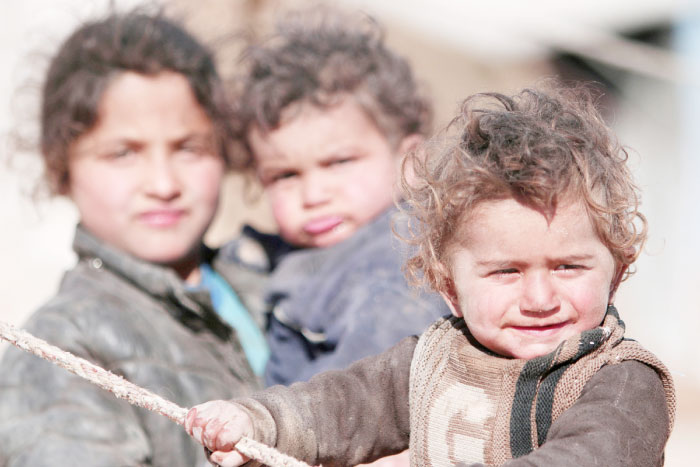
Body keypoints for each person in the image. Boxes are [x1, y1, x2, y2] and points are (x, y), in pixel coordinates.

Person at [185, 84, 677, 467]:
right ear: (450, 289)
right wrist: (259, 422)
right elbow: (342, 405)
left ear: (616, 273)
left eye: (568, 267)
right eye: (506, 271)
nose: (540, 297)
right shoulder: (431, 362)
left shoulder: (622, 384)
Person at [0, 10, 268, 467]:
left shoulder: (273, 284)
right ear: (60, 168)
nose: (163, 184)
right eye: (123, 153)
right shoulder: (62, 352)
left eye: (189, 147)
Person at [227, 6, 449, 390]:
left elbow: (360, 402)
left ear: (410, 161)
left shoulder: (395, 270)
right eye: (285, 175)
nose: (314, 195)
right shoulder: (306, 254)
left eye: (339, 162)